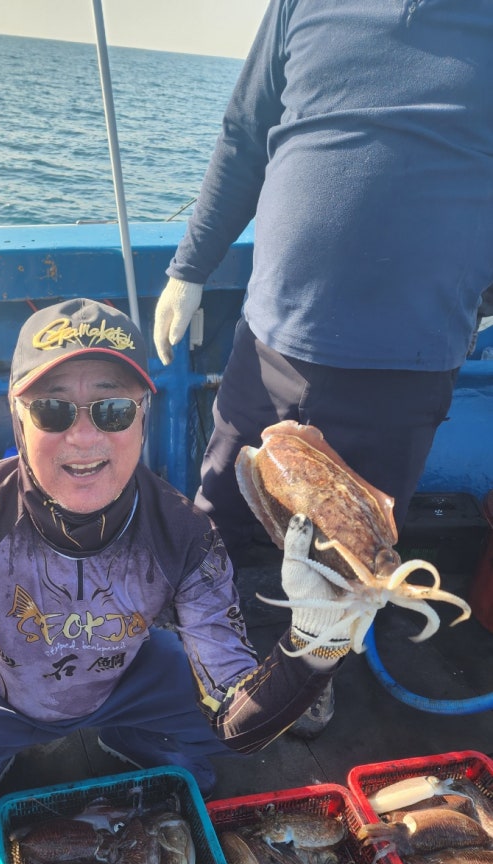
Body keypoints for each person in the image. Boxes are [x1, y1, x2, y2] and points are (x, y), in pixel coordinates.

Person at [0, 298, 357, 860]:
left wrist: (318, 643)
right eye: (52, 410)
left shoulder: (184, 532)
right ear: (18, 415)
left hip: (127, 672)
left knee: (233, 733)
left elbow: (239, 722)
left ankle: (129, 734)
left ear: (143, 417)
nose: (84, 437)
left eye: (112, 410)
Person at [153, 0, 493, 737]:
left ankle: (308, 675)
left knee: (352, 556)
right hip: (270, 337)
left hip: (404, 367)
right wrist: (189, 267)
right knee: (222, 504)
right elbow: (245, 133)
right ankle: (194, 642)